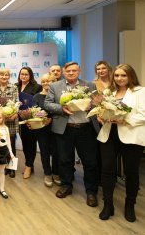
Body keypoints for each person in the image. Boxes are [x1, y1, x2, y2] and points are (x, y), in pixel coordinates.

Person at [44, 61, 100, 207]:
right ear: (63, 72)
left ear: (79, 71)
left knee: (90, 162)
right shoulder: (55, 86)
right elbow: (48, 103)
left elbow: (97, 103)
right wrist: (62, 108)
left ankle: (91, 191)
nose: (71, 73)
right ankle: (66, 185)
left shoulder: (90, 85)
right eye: (68, 71)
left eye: (74, 71)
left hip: (86, 129)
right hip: (65, 129)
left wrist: (91, 105)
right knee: (64, 159)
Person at [97, 64, 145, 222]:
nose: (119, 78)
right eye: (116, 75)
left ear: (131, 76)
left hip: (130, 136)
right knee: (107, 170)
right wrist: (100, 116)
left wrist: (124, 119)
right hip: (109, 134)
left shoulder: (140, 91)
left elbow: (143, 115)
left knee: (131, 172)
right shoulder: (108, 92)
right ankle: (108, 205)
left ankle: (129, 205)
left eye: (123, 75)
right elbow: (102, 110)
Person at [0, 68, 19, 178]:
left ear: (9, 76)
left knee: (11, 144)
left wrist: (14, 113)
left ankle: (11, 168)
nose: (4, 77)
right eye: (2, 75)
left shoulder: (14, 87)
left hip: (11, 120)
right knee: (0, 145)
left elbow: (17, 102)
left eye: (6, 75)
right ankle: (3, 166)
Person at [31, 73, 59, 187]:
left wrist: (50, 119)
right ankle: (47, 173)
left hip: (56, 128)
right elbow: (33, 112)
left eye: (49, 81)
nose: (46, 83)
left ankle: (56, 173)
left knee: (57, 153)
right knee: (45, 152)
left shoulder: (57, 96)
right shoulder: (37, 97)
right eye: (43, 81)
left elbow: (60, 110)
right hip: (42, 129)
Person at [16, 67, 42, 179]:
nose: (24, 76)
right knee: (25, 143)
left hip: (30, 119)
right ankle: (29, 164)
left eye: (26, 74)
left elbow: (37, 102)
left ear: (30, 75)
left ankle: (28, 166)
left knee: (30, 143)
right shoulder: (15, 86)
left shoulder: (37, 87)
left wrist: (29, 112)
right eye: (22, 74)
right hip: (18, 119)